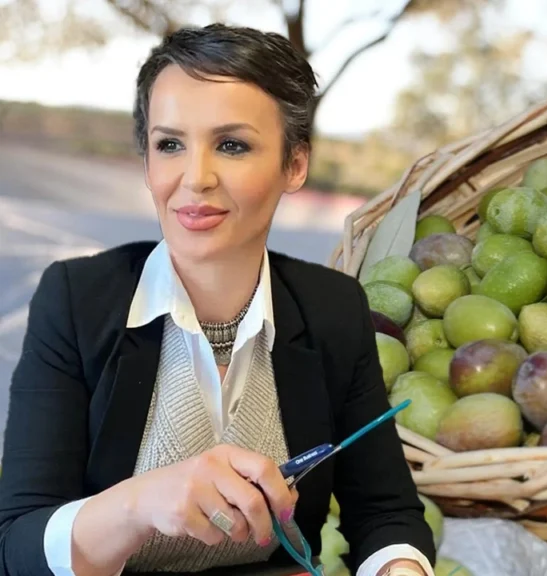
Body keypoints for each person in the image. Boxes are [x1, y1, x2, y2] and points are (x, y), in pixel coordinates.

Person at [0, 23, 435, 576]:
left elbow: (384, 512)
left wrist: (399, 567)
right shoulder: (76, 300)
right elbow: (14, 547)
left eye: (231, 145)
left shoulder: (335, 308)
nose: (195, 177)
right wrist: (139, 504)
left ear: (294, 163)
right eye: (170, 145)